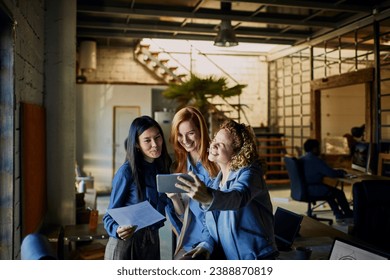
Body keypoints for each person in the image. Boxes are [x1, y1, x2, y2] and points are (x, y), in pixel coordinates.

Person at [176, 119, 278, 260]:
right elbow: (210, 225)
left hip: (256, 258)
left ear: (235, 153)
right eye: (214, 140)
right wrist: (206, 246)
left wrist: (208, 198)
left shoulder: (250, 173)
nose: (213, 145)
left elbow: (238, 197)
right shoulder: (215, 183)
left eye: (221, 144)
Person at [103, 115, 172, 260]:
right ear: (137, 144)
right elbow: (109, 216)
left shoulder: (162, 169)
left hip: (152, 241)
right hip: (126, 243)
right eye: (147, 140)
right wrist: (117, 230)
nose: (155, 144)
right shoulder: (126, 172)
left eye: (157, 137)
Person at [167, 106, 220, 260]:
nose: (185, 140)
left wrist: (207, 244)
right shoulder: (181, 166)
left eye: (190, 133)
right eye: (180, 135)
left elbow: (221, 214)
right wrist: (174, 198)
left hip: (213, 241)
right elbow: (185, 216)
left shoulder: (217, 163)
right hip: (189, 241)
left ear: (200, 131)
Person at [300, 138, 353, 223]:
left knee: (329, 193)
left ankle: (338, 215)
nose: (319, 149)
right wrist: (341, 172)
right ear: (314, 149)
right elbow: (331, 173)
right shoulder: (315, 160)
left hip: (304, 188)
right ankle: (348, 214)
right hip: (313, 189)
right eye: (318, 147)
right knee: (338, 193)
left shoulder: (302, 158)